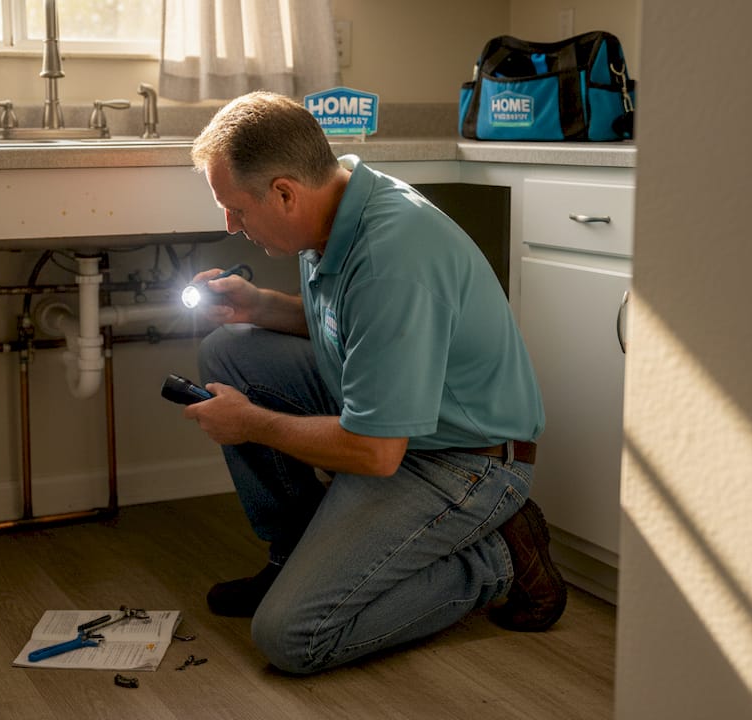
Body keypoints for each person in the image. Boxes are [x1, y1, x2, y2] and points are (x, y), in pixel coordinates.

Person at [181, 91, 565, 675]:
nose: (229, 226)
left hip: (463, 460)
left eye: (235, 208)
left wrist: (249, 424)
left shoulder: (393, 256)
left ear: (285, 191)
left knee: (292, 638)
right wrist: (259, 306)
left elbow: (374, 451)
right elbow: (352, 330)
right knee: (229, 353)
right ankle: (296, 558)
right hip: (398, 425)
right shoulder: (333, 211)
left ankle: (496, 558)